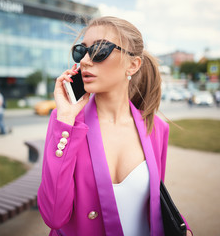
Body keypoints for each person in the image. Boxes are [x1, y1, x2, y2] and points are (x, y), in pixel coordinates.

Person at [37, 16, 192, 236]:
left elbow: (156, 203)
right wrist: (65, 119)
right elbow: (53, 217)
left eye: (100, 50)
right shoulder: (66, 123)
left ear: (133, 64)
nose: (85, 61)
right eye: (81, 51)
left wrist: (184, 228)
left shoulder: (156, 128)